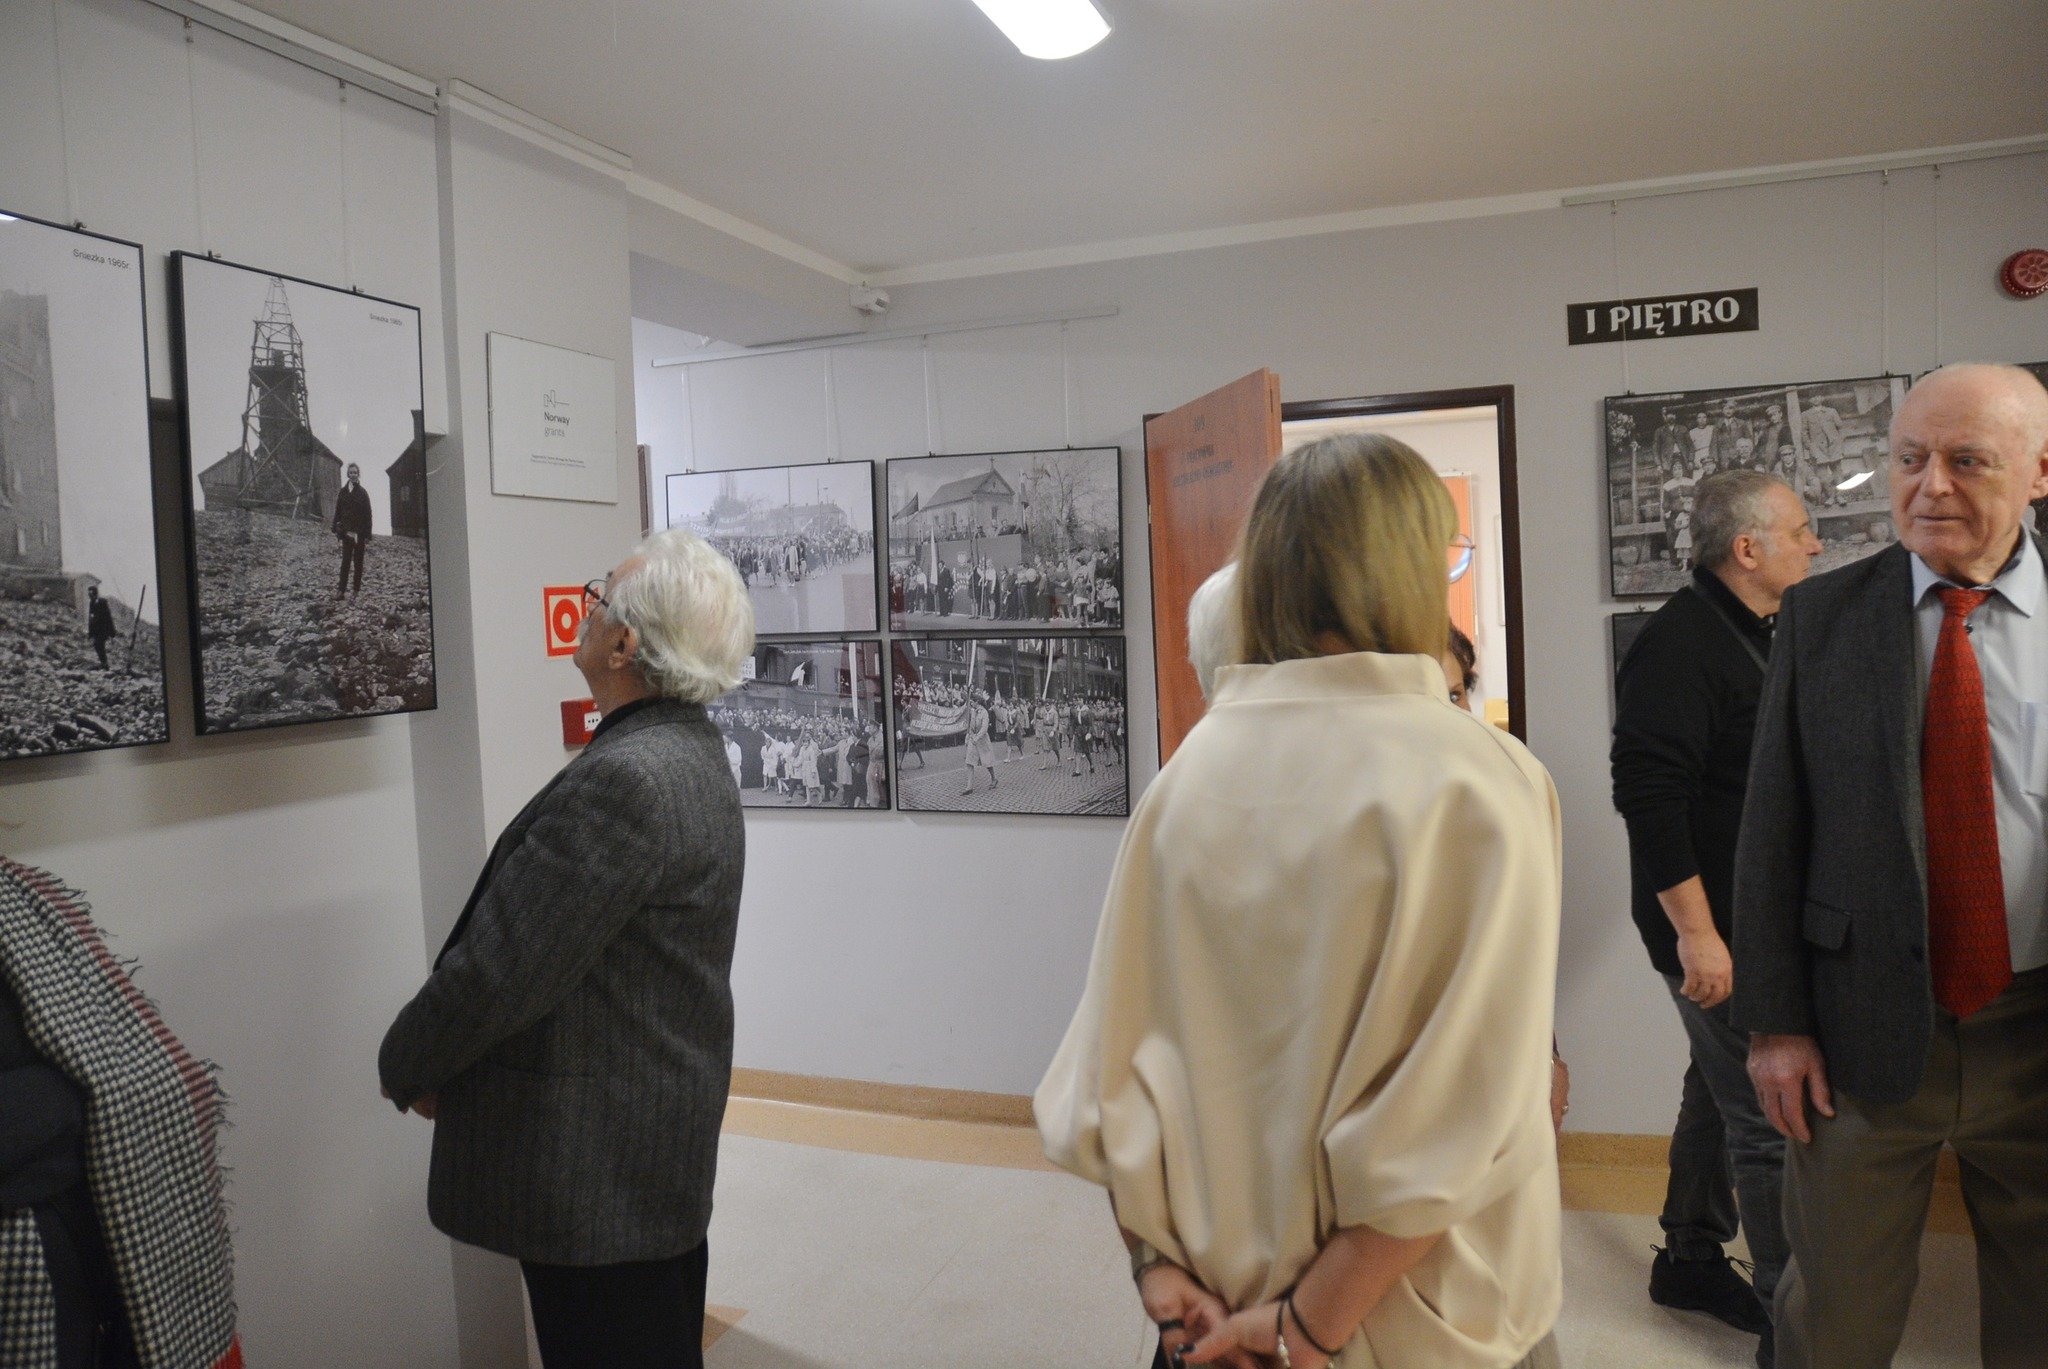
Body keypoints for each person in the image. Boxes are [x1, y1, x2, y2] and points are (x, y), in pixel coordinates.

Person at [1037, 433, 1563, 1369]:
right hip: (1403, 1327)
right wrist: (1306, 1325)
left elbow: (1115, 1066)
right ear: (1410, 567)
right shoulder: (1480, 781)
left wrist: (1159, 1268)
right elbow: (1465, 1108)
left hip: (1211, 1313)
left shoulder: (1185, 778)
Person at [1734, 364, 2048, 1369]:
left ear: (2038, 471)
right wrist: (1774, 1024)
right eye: (1910, 458)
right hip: (1857, 1024)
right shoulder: (1822, 616)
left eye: (1968, 461)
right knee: (1835, 1315)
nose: (1930, 485)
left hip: (2036, 1026)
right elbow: (1771, 828)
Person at [377, 528, 752, 1369]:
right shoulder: (691, 752)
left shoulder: (627, 780)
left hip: (599, 1177)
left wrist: (406, 1060)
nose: (583, 608)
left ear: (624, 644)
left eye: (599, 596)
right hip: (648, 1146)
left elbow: (502, 970)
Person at [1610, 470, 1821, 1364]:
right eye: (1800, 530)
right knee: (1765, 1120)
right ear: (1747, 549)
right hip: (1714, 926)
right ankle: (1790, 1328)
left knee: (1719, 1078)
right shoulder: (1680, 643)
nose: (1815, 543)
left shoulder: (1753, 629)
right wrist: (1698, 935)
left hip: (1748, 919)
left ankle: (1690, 1256)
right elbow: (1647, 793)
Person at [1, 856, 240, 1369]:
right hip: (26, 1294)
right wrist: (74, 1100)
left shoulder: (19, 892)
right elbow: (90, 1086)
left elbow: (122, 1075)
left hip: (101, 1284)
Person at [333, 462, 373, 596]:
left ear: (358, 474)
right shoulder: (343, 492)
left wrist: (368, 535)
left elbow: (368, 514)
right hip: (346, 532)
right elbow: (338, 510)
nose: (353, 475)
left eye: (355, 472)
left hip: (359, 533)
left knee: (358, 562)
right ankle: (341, 590)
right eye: (351, 472)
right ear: (348, 474)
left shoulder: (363, 493)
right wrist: (335, 528)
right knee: (345, 562)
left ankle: (356, 590)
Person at [85, 585, 116, 671]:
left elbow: (108, 617)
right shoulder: (91, 603)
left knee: (99, 644)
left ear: (94, 593)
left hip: (103, 629)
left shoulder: (102, 602)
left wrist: (112, 631)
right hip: (96, 630)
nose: (89, 595)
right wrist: (90, 632)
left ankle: (104, 664)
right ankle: (104, 663)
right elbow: (91, 618)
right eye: (89, 593)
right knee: (97, 645)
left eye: (90, 593)